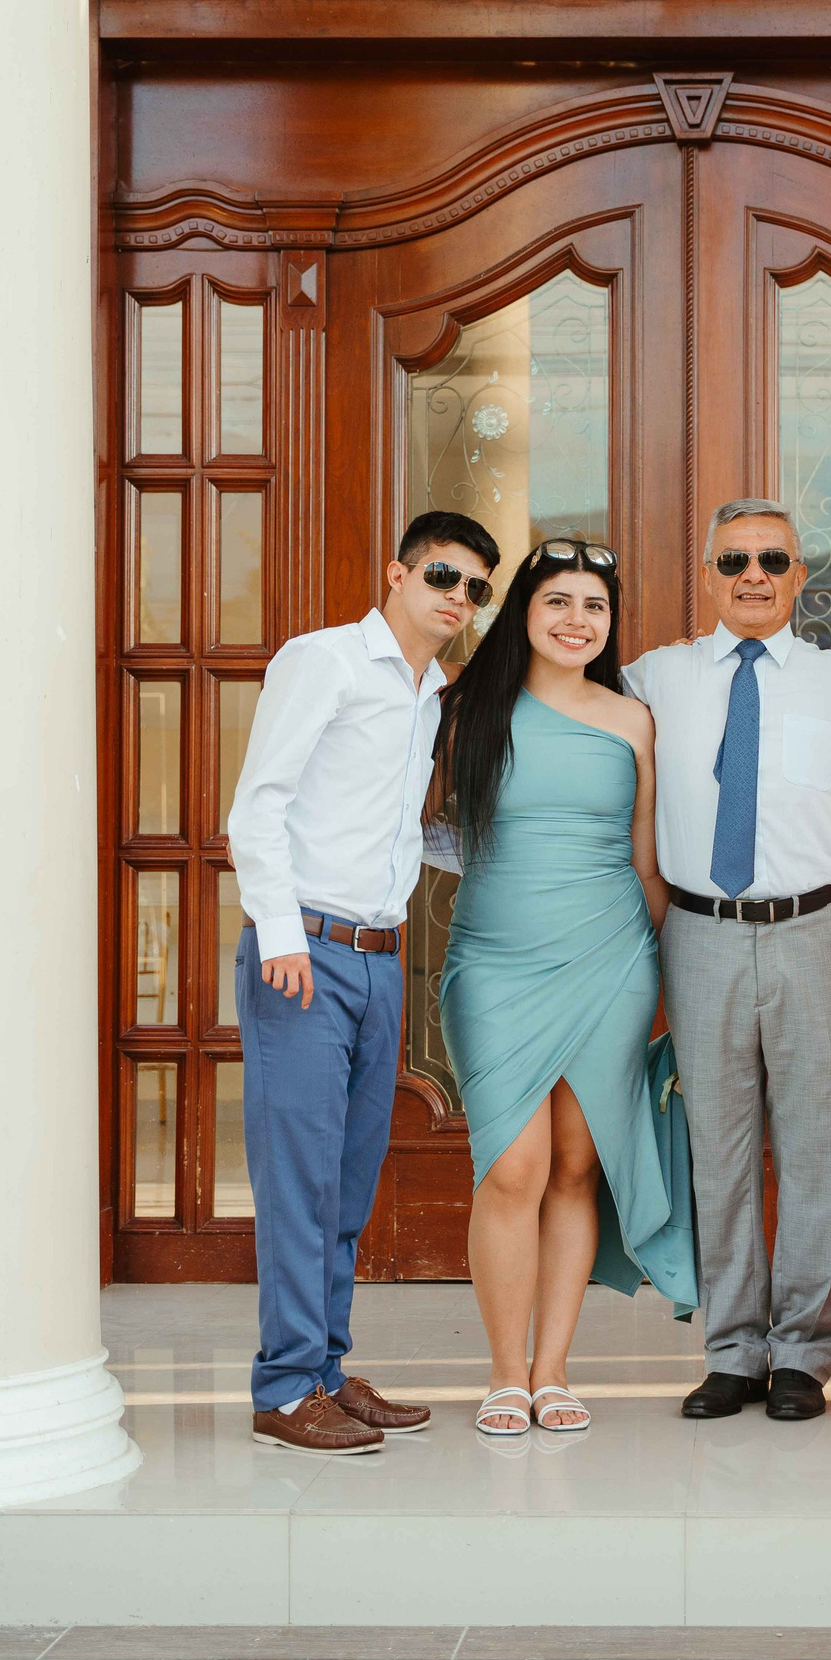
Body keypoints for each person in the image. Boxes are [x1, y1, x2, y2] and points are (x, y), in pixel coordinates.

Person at [227, 509, 501, 1457]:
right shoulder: (327, 661)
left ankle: (326, 1372)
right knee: (299, 1181)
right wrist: (279, 934)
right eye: (441, 576)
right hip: (303, 953)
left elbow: (389, 830)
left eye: (474, 588)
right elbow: (258, 803)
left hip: (379, 959)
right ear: (396, 573)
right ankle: (283, 1385)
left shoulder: (429, 693)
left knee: (347, 1186)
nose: (456, 598)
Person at [434, 540, 697, 1437]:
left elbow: (647, 857)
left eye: (594, 605)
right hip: (496, 963)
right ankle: (504, 1371)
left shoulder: (633, 720)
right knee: (513, 1164)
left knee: (578, 1165)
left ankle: (552, 1372)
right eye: (558, 601)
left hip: (611, 960)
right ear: (523, 612)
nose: (577, 619)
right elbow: (424, 829)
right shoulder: (467, 709)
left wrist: (654, 965)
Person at [623, 498, 831, 1423]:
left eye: (772, 559)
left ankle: (804, 1347)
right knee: (717, 1148)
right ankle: (732, 1346)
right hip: (701, 929)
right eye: (733, 561)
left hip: (816, 928)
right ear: (708, 575)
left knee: (810, 1144)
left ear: (801, 574)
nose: (753, 575)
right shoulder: (655, 677)